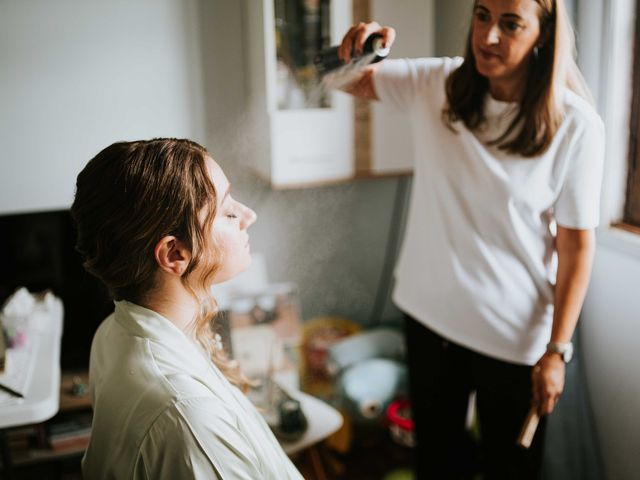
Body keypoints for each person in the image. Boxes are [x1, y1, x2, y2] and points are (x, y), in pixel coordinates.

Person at [336, 0, 603, 478]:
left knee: (511, 468)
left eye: (510, 23)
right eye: (482, 16)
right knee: (437, 463)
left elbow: (576, 247)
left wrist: (557, 350)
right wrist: (360, 50)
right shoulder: (436, 83)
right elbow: (344, 79)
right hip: (428, 315)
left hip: (514, 334)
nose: (489, 36)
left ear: (543, 34)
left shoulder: (577, 127)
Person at [71, 138, 304, 479]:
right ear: (175, 254)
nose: (248, 215)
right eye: (227, 211)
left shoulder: (113, 330)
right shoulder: (188, 419)